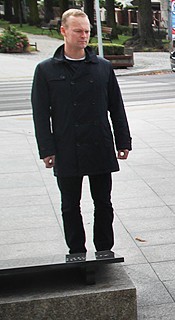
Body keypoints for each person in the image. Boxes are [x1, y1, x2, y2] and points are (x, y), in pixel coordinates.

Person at [31, 9, 131, 256]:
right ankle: (76, 250)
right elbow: (41, 115)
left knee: (103, 203)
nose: (84, 36)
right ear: (63, 31)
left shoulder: (103, 67)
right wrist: (47, 149)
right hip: (66, 146)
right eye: (78, 31)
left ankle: (105, 249)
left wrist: (123, 141)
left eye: (87, 31)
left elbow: (116, 107)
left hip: (99, 143)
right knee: (69, 206)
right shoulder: (46, 70)